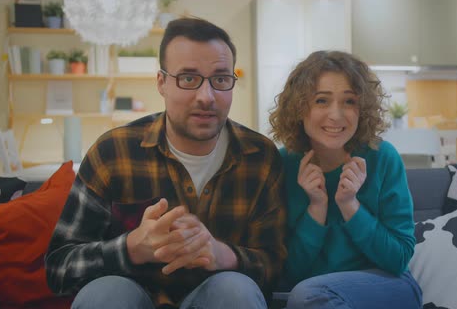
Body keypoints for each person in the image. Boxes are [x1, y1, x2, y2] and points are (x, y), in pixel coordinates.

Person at [45, 18, 286, 309]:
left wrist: (223, 255)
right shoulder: (113, 152)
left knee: (235, 290)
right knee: (105, 294)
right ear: (161, 83)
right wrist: (131, 248)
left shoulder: (260, 157)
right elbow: (58, 269)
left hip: (217, 296)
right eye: (188, 78)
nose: (206, 97)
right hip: (131, 296)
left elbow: (277, 267)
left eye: (220, 79)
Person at [268, 50, 422, 309]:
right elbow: (288, 274)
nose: (336, 115)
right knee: (306, 294)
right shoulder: (282, 164)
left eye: (349, 101)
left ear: (363, 109)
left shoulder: (382, 157)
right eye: (321, 101)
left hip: (388, 287)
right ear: (299, 107)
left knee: (308, 294)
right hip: (311, 296)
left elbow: (398, 259)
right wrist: (316, 208)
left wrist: (350, 206)